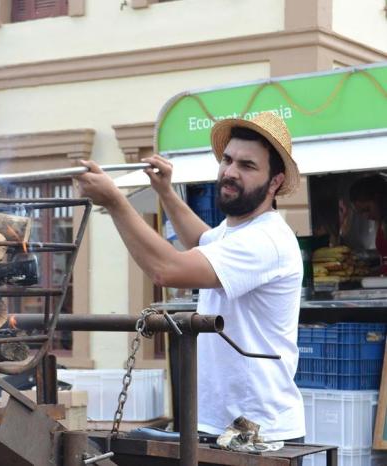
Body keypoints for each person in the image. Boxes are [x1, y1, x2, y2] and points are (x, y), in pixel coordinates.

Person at [75, 112, 305, 443]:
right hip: (222, 424)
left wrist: (115, 201)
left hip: (257, 432)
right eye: (228, 160)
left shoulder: (265, 240)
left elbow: (166, 270)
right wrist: (166, 192)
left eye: (247, 166)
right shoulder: (237, 229)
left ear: (275, 182)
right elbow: (202, 240)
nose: (230, 172)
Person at [349, 174, 387, 274]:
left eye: (367, 209)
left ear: (378, 199)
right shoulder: (381, 223)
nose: (366, 216)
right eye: (361, 212)